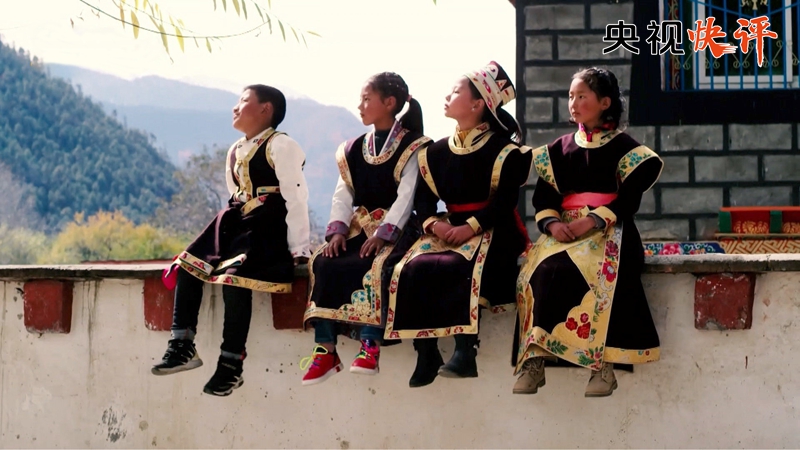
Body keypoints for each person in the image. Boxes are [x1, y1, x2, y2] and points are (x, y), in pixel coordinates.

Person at [151, 84, 311, 397]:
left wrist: (299, 248)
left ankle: (231, 364)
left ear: (266, 109)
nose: (235, 108)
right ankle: (181, 345)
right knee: (188, 265)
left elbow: (296, 197)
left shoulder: (281, 145)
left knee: (234, 279)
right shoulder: (236, 149)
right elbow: (235, 191)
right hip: (236, 221)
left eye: (243, 101)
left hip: (267, 225)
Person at [513, 67, 663, 397]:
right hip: (564, 232)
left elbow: (629, 200)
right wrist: (553, 224)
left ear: (605, 102)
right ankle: (534, 359)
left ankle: (602, 367)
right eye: (571, 96)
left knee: (603, 274)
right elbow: (544, 200)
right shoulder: (558, 150)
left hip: (611, 230)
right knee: (539, 270)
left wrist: (593, 220)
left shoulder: (626, 148)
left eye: (582, 96)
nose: (573, 103)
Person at [385, 61, 533, 388]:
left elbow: (504, 201)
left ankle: (466, 350)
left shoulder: (506, 151)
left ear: (478, 104)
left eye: (455, 92)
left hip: (493, 228)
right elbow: (424, 200)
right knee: (411, 266)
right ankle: (426, 352)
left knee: (460, 266)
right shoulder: (434, 152)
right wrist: (433, 225)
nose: (447, 97)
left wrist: (471, 227)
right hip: (448, 227)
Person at [300, 72, 431, 386]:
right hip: (358, 227)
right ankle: (325, 349)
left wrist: (384, 234)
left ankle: (370, 345)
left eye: (366, 99)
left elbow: (407, 196)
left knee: (377, 264)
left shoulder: (414, 146)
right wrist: (337, 232)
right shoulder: (353, 148)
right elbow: (343, 193)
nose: (360, 106)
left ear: (390, 103)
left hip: (397, 229)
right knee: (324, 261)